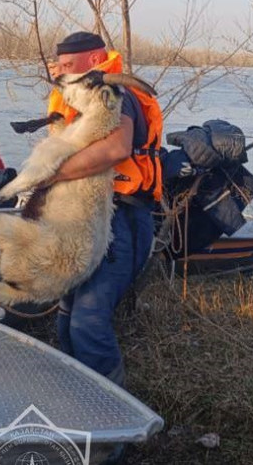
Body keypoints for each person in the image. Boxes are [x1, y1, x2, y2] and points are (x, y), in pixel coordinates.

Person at [46, 31, 164, 387]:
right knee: (67, 317)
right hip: (86, 218)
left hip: (121, 221)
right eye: (59, 65)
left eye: (68, 66)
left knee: (89, 321)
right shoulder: (80, 98)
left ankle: (111, 423)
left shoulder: (112, 92)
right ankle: (77, 399)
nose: (61, 73)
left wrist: (53, 173)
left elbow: (117, 149)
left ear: (95, 61)